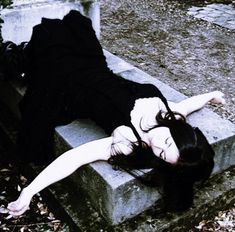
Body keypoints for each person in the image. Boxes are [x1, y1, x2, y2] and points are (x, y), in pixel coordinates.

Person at [0, 10, 225, 215]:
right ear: (176, 127)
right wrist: (210, 95)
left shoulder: (128, 143)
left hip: (70, 84)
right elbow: (188, 105)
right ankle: (19, 55)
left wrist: (29, 191)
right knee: (73, 29)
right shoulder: (171, 114)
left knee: (51, 48)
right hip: (95, 68)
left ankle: (14, 57)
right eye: (167, 141)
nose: (158, 146)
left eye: (163, 155)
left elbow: (75, 157)